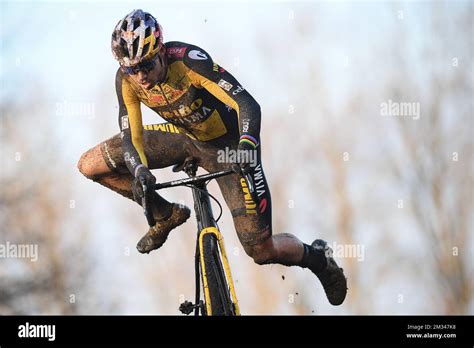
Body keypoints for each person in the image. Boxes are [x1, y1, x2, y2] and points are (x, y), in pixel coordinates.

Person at [77, 9, 347, 305]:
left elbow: (247, 104)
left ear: (161, 51)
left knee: (261, 251)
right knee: (89, 165)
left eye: (147, 64)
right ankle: (165, 215)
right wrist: (139, 170)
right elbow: (132, 137)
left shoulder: (189, 61)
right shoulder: (126, 80)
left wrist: (246, 145)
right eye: (131, 68)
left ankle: (318, 259)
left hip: (228, 148)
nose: (140, 76)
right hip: (183, 137)